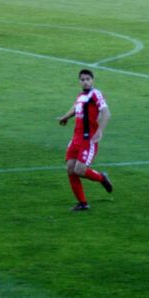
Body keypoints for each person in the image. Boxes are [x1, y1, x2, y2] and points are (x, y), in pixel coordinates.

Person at [57, 69, 113, 211]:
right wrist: (65, 117)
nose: (85, 81)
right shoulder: (81, 95)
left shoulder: (96, 94)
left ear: (92, 80)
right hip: (76, 139)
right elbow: (76, 108)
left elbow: (106, 113)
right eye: (82, 79)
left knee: (80, 170)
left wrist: (100, 130)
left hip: (88, 140)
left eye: (88, 79)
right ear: (79, 81)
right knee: (70, 169)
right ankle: (83, 203)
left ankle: (102, 178)